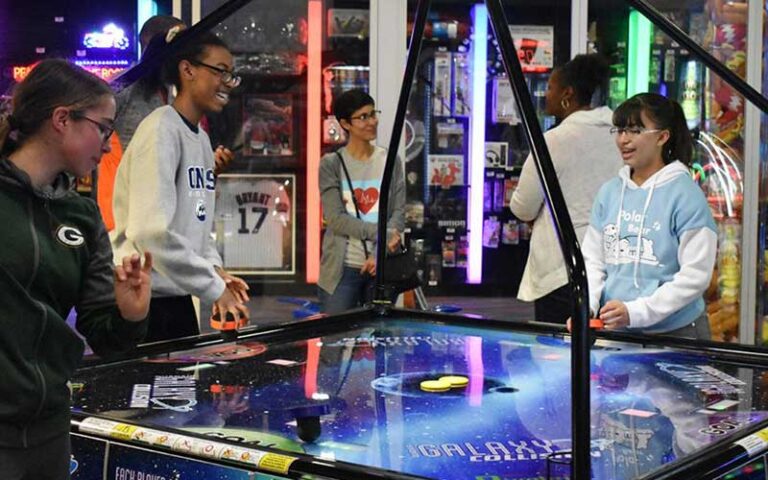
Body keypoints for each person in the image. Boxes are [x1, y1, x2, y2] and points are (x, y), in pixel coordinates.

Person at [0, 59, 152, 479]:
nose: (107, 144)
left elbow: (106, 339)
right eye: (103, 128)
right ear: (62, 119)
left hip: (48, 430)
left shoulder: (83, 218)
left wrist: (131, 313)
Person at [111, 31, 249, 342]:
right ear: (187, 70)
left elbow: (196, 225)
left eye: (231, 74)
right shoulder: (161, 129)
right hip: (144, 300)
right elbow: (151, 233)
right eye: (220, 71)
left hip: (175, 295)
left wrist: (216, 271)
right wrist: (214, 288)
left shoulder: (199, 137)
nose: (227, 82)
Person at [582, 93, 717, 339]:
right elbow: (593, 261)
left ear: (663, 137)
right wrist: (586, 307)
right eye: (620, 130)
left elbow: (695, 276)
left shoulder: (685, 194)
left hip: (678, 333)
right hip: (617, 328)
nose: (624, 139)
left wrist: (637, 312)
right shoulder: (609, 192)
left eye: (635, 130)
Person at [509, 53, 621, 324]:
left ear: (567, 94)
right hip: (614, 264)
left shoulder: (554, 141)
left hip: (562, 267)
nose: (545, 94)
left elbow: (523, 206)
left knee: (558, 355)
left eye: (550, 87)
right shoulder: (621, 135)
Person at [97, 16, 234, 231]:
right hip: (121, 221)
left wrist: (209, 169)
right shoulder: (124, 86)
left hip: (164, 218)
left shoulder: (175, 95)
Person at [318, 89, 405, 314]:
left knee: (380, 342)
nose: (372, 122)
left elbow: (398, 212)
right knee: (334, 340)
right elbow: (335, 219)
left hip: (382, 265)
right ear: (345, 124)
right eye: (363, 117)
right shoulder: (332, 164)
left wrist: (380, 251)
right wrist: (382, 234)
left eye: (373, 114)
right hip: (342, 268)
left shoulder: (390, 160)